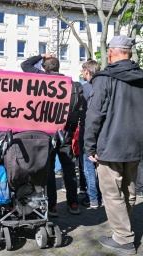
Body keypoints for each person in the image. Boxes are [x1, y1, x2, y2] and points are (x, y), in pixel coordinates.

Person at [84, 35, 143, 255]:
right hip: (135, 144)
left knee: (112, 193)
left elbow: (94, 115)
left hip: (110, 144)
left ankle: (123, 238)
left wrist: (89, 146)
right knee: (128, 190)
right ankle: (123, 231)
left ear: (110, 52)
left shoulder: (103, 77)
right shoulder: (140, 77)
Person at [21, 53, 84, 216]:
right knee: (69, 167)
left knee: (48, 168)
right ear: (58, 67)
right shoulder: (73, 85)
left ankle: (51, 206)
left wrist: (41, 55)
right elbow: (79, 109)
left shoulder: (41, 79)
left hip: (45, 132)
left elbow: (25, 65)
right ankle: (73, 203)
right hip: (65, 131)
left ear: (43, 68)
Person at [79, 59, 101, 208]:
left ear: (86, 71)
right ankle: (103, 197)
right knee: (102, 166)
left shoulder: (84, 88)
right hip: (103, 131)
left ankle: (93, 198)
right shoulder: (104, 86)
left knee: (88, 165)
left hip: (87, 130)